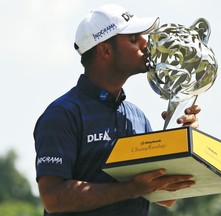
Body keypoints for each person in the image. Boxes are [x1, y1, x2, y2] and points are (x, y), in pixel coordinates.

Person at [34, 4, 201, 216]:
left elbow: (167, 198)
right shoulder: (63, 114)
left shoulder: (137, 117)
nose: (145, 43)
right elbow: (53, 198)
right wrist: (133, 188)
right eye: (133, 39)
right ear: (105, 50)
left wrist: (182, 139)